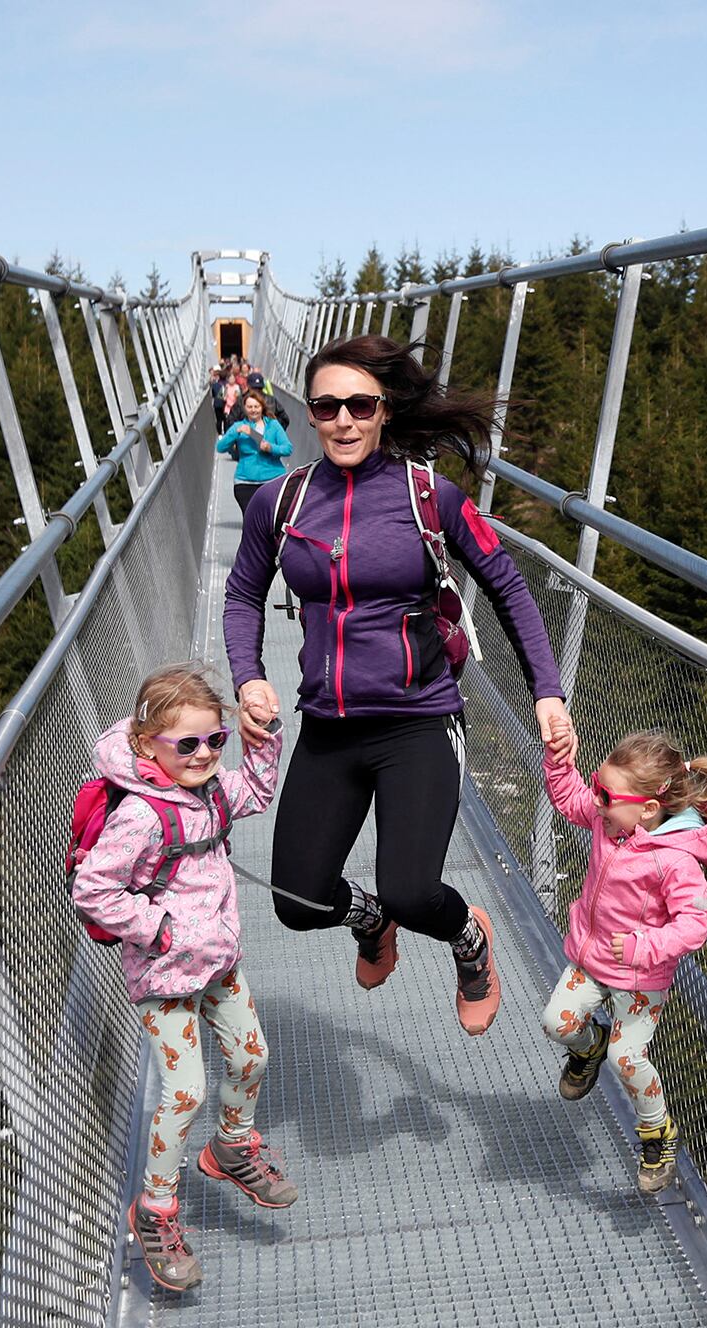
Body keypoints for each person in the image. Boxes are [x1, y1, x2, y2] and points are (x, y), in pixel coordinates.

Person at [222, 334, 576, 1037]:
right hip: (328, 724)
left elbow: (507, 587)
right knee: (296, 901)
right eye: (327, 406)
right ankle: (369, 920)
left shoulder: (430, 498)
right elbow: (241, 595)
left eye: (360, 404)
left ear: (386, 411)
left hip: (418, 720)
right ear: (311, 415)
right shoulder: (279, 503)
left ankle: (468, 939)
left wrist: (547, 689)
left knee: (415, 891)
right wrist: (248, 678)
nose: (344, 420)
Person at [69, 663, 293, 1294]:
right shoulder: (140, 815)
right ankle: (156, 1209)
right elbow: (94, 889)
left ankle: (231, 1147)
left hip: (219, 963)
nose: (204, 754)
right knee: (186, 1089)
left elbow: (255, 792)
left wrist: (262, 737)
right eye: (187, 744)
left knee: (253, 1057)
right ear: (147, 746)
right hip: (166, 977)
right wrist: (160, 931)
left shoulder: (213, 790)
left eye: (214, 741)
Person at [538, 729, 707, 1193]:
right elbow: (567, 798)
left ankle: (658, 1132)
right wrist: (560, 759)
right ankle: (587, 1047)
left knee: (627, 1057)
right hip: (592, 957)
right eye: (597, 784)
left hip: (640, 978)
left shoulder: (675, 860)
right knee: (557, 1024)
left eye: (605, 793)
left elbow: (696, 923)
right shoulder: (608, 818)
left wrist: (644, 945)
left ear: (648, 809)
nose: (595, 800)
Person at [216, 386, 293, 513]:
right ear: (244, 408)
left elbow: (287, 448)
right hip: (245, 482)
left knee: (270, 521)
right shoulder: (239, 426)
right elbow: (220, 447)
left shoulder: (273, 425)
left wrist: (271, 447)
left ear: (262, 407)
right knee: (251, 521)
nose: (253, 410)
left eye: (256, 407)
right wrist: (234, 433)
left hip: (272, 480)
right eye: (250, 407)